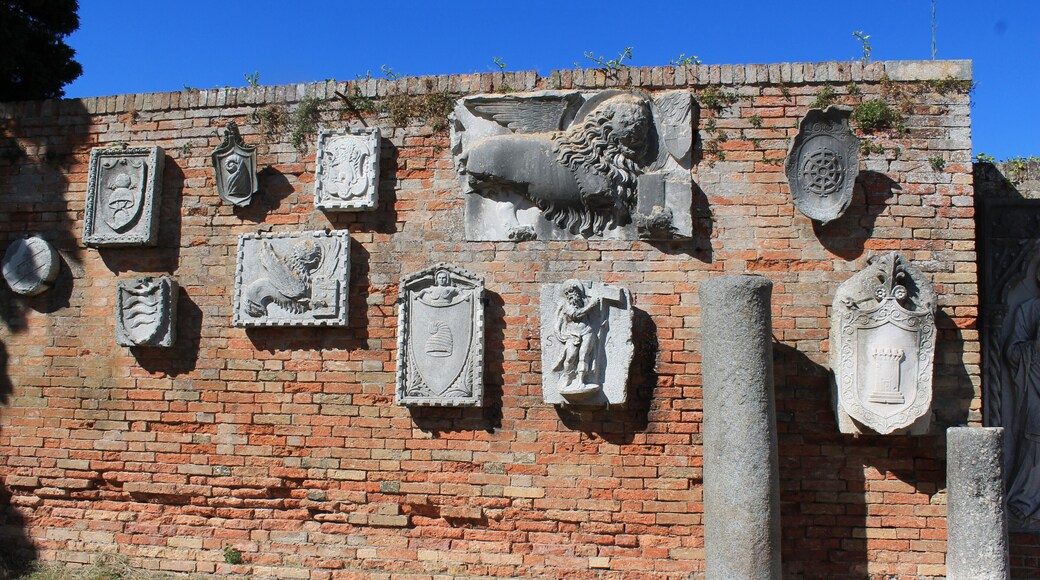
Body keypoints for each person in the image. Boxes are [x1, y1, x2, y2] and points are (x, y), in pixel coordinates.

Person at [1005, 281, 1040, 526]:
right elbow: (1013, 352)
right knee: (1035, 439)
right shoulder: (1029, 310)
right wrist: (1036, 347)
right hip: (1034, 385)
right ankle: (1026, 500)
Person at [553, 280, 600, 392]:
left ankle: (581, 381)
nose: (573, 295)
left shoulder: (585, 301)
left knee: (584, 356)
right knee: (570, 358)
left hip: (587, 331)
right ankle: (568, 378)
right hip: (572, 335)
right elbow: (575, 315)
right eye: (570, 293)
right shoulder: (566, 305)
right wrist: (591, 306)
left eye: (575, 293)